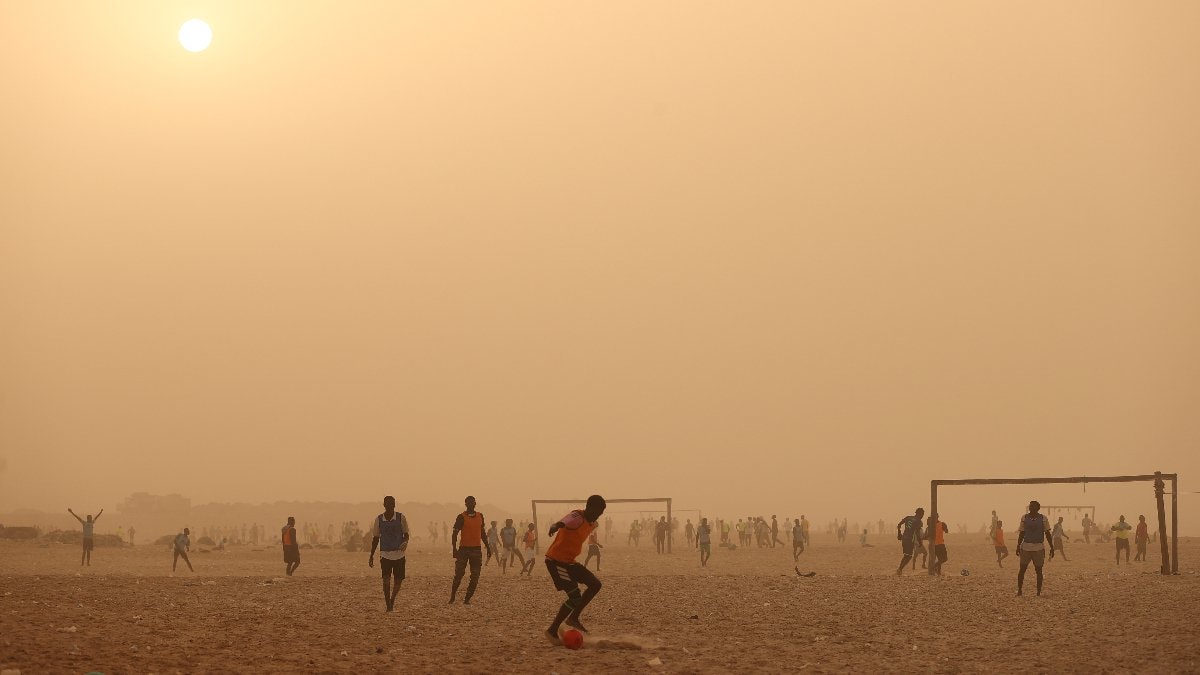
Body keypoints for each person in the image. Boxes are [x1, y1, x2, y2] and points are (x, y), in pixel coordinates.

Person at [544, 495, 606, 643]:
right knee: (575, 597)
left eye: (600, 513)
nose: (598, 516)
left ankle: (573, 618)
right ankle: (552, 630)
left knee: (595, 584)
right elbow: (565, 521)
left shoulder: (592, 523)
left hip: (570, 563)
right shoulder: (577, 516)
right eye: (596, 512)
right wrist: (555, 525)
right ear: (588, 507)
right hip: (556, 562)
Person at [368, 496, 410, 612]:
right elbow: (376, 538)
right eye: (388, 504)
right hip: (385, 554)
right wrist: (371, 555)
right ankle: (388, 605)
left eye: (392, 504)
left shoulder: (401, 518)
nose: (390, 506)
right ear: (384, 505)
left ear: (394, 505)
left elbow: (406, 534)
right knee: (386, 580)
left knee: (398, 581)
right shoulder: (379, 520)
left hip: (399, 555)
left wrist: (405, 541)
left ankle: (392, 600)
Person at [450, 496, 491, 604]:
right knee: (459, 574)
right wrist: (454, 549)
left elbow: (482, 532)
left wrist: (488, 546)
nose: (471, 504)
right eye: (469, 503)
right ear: (465, 504)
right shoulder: (461, 517)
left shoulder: (480, 516)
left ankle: (467, 599)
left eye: (472, 502)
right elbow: (454, 534)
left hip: (476, 550)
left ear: (475, 503)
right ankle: (452, 596)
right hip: (463, 550)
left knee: (475, 576)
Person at [1016, 501, 1054, 596]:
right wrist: (1018, 545)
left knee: (1039, 570)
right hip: (1026, 547)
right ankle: (1020, 590)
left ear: (1038, 508)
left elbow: (1047, 533)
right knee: (1022, 570)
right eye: (1030, 506)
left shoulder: (1043, 518)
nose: (1031, 507)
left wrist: (1052, 546)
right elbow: (1022, 532)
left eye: (1033, 506)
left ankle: (1038, 592)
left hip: (1038, 548)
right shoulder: (1024, 518)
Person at [895, 507, 925, 575]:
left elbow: (899, 525)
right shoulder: (918, 521)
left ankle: (900, 569)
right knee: (908, 556)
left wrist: (899, 534)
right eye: (922, 514)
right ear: (920, 514)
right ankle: (899, 569)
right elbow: (917, 532)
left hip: (904, 538)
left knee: (906, 555)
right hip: (909, 540)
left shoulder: (908, 517)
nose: (922, 516)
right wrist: (920, 542)